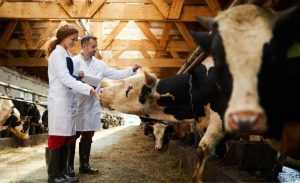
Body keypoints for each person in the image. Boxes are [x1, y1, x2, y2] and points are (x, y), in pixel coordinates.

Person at [67, 35, 141, 175]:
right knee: (72, 136)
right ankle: (69, 166)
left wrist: (132, 69)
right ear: (84, 46)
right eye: (93, 46)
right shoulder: (72, 61)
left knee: (88, 136)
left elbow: (116, 74)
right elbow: (64, 78)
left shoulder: (99, 64)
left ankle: (85, 165)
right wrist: (76, 75)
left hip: (91, 105)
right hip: (76, 104)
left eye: (96, 46)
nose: (96, 49)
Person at [45, 25, 97, 183]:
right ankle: (54, 177)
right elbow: (64, 79)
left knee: (66, 137)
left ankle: (61, 174)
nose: (75, 42)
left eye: (76, 39)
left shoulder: (64, 53)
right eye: (73, 39)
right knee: (57, 136)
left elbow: (69, 76)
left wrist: (77, 75)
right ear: (63, 37)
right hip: (60, 101)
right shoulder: (57, 54)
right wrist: (87, 88)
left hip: (67, 101)